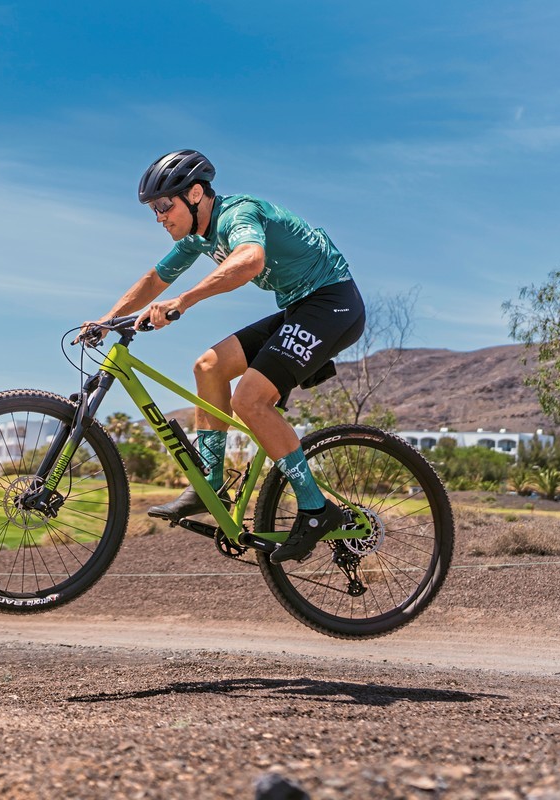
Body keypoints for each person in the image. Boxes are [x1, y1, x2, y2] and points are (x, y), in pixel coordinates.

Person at [87, 149, 366, 563]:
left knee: (248, 400)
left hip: (333, 305)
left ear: (195, 194)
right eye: (153, 210)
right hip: (298, 308)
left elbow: (250, 260)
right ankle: (211, 485)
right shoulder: (197, 237)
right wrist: (108, 319)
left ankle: (315, 510)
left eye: (165, 206)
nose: (159, 216)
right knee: (209, 366)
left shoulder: (238, 214)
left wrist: (184, 301)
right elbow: (155, 278)